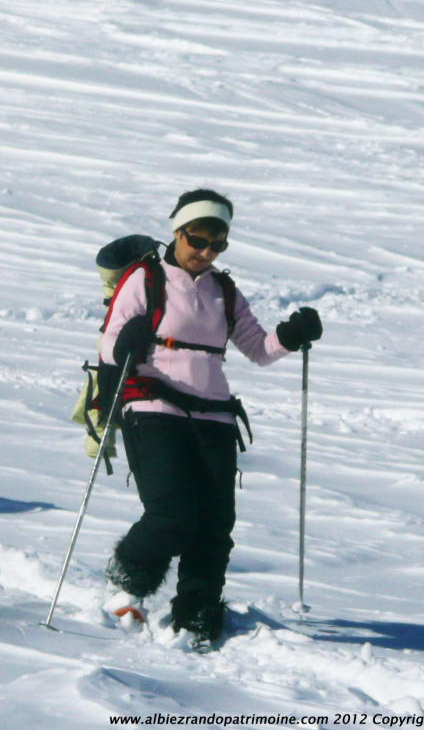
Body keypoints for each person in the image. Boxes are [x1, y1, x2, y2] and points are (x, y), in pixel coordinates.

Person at [101, 188, 322, 645]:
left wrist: (291, 335)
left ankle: (198, 610)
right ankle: (126, 585)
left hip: (213, 414)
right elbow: (109, 347)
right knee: (173, 513)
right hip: (152, 401)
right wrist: (129, 341)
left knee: (215, 522)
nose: (205, 253)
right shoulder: (146, 277)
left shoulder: (224, 289)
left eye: (216, 245)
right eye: (197, 240)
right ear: (177, 230)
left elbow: (258, 350)